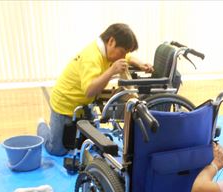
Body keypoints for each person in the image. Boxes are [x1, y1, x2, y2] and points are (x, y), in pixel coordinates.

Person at [37, 23, 153, 156]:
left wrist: (140, 64)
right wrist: (112, 70)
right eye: (122, 52)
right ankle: (41, 126)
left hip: (84, 105)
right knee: (56, 150)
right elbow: (90, 90)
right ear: (111, 41)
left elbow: (128, 57)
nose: (123, 56)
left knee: (92, 143)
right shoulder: (91, 57)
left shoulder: (108, 51)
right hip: (64, 105)